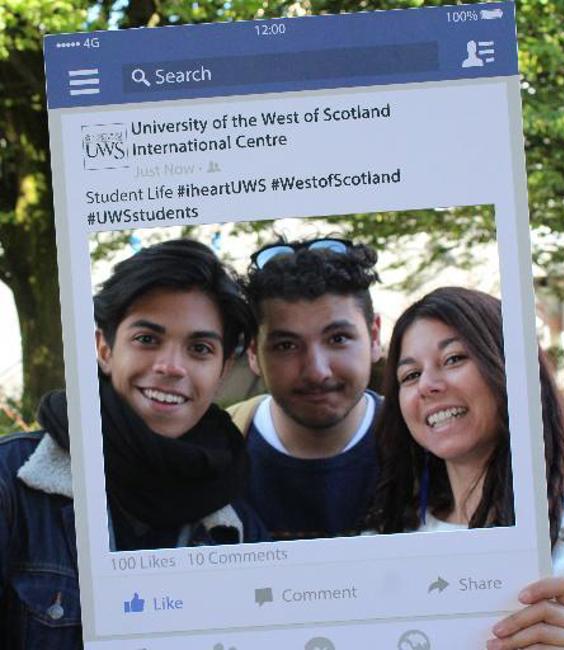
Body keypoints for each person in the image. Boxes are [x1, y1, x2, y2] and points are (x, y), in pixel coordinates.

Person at [0, 239, 266, 649]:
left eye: (199, 349)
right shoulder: (12, 485)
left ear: (222, 370)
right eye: (147, 339)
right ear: (104, 349)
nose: (170, 367)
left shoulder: (242, 514)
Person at [370, 287, 564, 648]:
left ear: (508, 369)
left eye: (454, 358)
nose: (427, 385)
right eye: (409, 375)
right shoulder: (384, 544)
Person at [229, 236, 382, 540]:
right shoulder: (214, 449)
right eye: (286, 345)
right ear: (252, 353)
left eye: (338, 339)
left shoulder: (427, 446)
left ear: (374, 337)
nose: (316, 371)